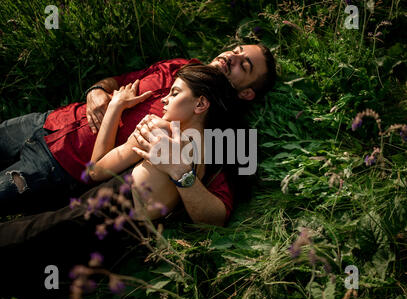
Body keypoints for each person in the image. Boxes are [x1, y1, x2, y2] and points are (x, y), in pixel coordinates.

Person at [0, 64, 240, 299]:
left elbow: (95, 171)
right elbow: (95, 172)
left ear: (200, 104)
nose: (165, 100)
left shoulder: (169, 137)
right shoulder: (199, 154)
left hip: (90, 225)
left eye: (175, 93)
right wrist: (114, 106)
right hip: (103, 240)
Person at [0, 43, 276, 222]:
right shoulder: (179, 65)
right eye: (237, 49)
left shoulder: (228, 133)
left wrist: (182, 174)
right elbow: (118, 81)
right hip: (49, 121)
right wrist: (96, 90)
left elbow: (217, 214)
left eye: (245, 65)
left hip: (58, 168)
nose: (232, 57)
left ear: (247, 92)